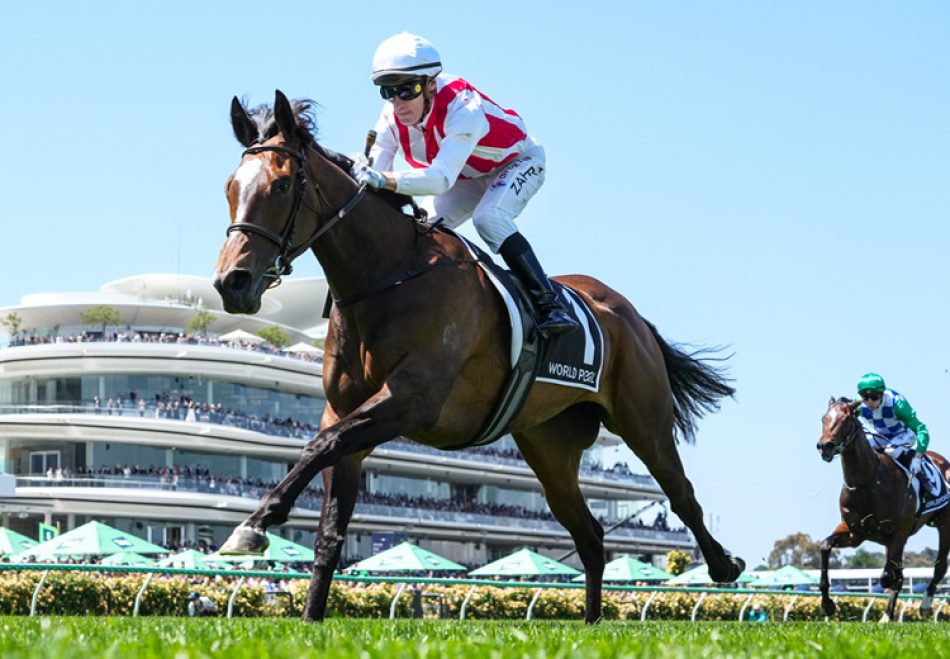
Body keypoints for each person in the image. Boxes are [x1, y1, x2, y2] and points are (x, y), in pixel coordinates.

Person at [351, 32, 578, 337]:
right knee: (423, 228)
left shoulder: (464, 109)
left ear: (431, 84)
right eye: (388, 91)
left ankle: (551, 304)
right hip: (466, 175)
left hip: (517, 162)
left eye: (407, 90)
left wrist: (381, 179)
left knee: (490, 217)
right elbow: (376, 177)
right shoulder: (390, 118)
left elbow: (439, 179)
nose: (398, 102)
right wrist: (359, 173)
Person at [854, 372, 931, 485]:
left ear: (882, 394)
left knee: (891, 451)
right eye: (865, 397)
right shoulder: (858, 404)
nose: (869, 402)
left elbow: (921, 429)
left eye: (874, 397)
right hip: (879, 435)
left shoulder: (898, 405)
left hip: (904, 434)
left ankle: (923, 478)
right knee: (860, 446)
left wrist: (917, 458)